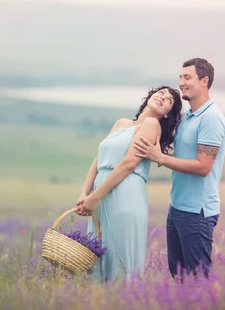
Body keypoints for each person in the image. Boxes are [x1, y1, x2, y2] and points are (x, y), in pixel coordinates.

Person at [75, 85, 183, 283]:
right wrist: (85, 193)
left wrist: (95, 196)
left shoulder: (152, 125)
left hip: (124, 194)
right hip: (99, 195)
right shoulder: (121, 123)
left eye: (169, 100)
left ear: (168, 114)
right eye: (160, 92)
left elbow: (128, 164)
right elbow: (98, 160)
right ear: (150, 96)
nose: (163, 97)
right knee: (97, 263)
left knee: (118, 265)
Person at [134, 58, 225, 280]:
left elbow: (203, 167)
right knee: (179, 278)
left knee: (197, 280)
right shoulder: (187, 116)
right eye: (180, 77)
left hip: (197, 212)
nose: (182, 83)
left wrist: (160, 158)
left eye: (187, 77)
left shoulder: (211, 118)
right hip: (177, 207)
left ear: (204, 81)